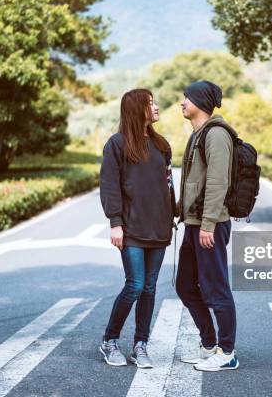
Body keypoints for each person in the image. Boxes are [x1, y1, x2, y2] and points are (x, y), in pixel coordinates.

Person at [99, 88, 176, 368]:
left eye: (155, 103)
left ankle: (140, 345)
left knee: (150, 288)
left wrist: (173, 214)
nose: (156, 108)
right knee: (135, 285)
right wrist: (115, 223)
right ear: (136, 110)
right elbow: (109, 186)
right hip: (131, 229)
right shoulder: (116, 145)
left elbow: (167, 185)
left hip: (159, 228)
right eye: (150, 103)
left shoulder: (162, 145)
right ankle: (110, 341)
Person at [175, 80, 239, 371]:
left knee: (215, 288)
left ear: (200, 101)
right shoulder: (198, 133)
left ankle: (227, 352)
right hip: (194, 223)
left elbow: (217, 182)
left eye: (186, 97)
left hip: (209, 224)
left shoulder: (215, 135)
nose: (182, 102)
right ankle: (209, 344)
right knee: (185, 285)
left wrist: (209, 224)